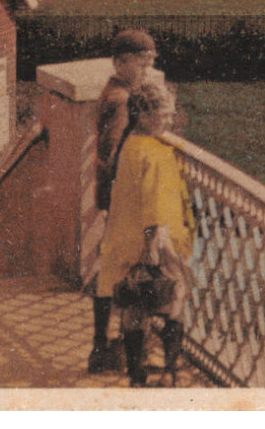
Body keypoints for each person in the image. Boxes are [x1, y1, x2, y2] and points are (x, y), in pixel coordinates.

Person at [101, 81, 196, 386]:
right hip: (154, 239)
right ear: (143, 115)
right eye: (165, 115)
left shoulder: (132, 143)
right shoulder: (156, 154)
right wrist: (159, 245)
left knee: (134, 304)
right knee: (176, 296)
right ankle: (170, 368)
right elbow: (156, 201)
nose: (171, 121)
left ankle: (135, 371)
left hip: (125, 237)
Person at [88, 28, 167, 375]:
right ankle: (119, 345)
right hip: (126, 200)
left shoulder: (118, 91)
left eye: (151, 61)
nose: (148, 68)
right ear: (121, 62)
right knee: (126, 271)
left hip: (117, 198)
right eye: (142, 61)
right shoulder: (121, 100)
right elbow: (111, 152)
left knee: (112, 271)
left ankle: (103, 345)